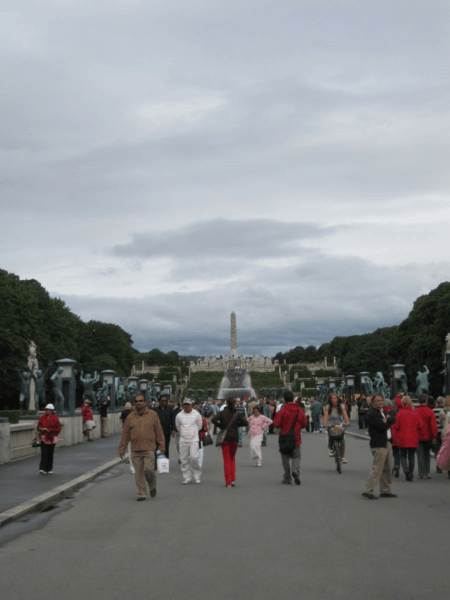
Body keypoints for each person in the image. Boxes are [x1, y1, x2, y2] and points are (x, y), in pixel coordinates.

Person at [118, 395, 165, 501]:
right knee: (138, 473)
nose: (138, 403)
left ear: (145, 402)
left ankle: (152, 485)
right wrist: (122, 448)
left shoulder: (153, 415)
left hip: (149, 449)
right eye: (136, 401)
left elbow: (159, 431)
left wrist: (162, 445)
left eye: (140, 401)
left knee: (149, 470)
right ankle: (141, 494)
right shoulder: (130, 417)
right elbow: (125, 434)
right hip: (135, 449)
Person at [362, 394, 397, 499]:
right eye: (377, 401)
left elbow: (392, 419)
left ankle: (385, 490)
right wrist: (387, 421)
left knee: (388, 467)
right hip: (378, 444)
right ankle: (368, 490)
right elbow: (383, 426)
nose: (380, 402)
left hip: (386, 442)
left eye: (381, 400)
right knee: (377, 468)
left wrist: (387, 420)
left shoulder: (382, 412)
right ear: (372, 402)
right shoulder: (373, 413)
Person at [211, 397, 249, 488]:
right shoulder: (237, 414)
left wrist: (221, 426)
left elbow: (213, 420)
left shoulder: (222, 413)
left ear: (227, 404)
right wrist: (236, 425)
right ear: (235, 404)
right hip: (235, 438)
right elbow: (246, 423)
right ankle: (233, 479)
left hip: (225, 438)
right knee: (232, 458)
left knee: (226, 459)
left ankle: (228, 481)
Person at [273, 391, 307, 485]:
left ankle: (287, 477)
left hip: (284, 437)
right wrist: (298, 427)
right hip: (296, 436)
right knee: (296, 456)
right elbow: (304, 423)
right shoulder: (299, 410)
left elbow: (276, 424)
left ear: (284, 399)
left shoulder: (282, 411)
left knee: (285, 458)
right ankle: (295, 471)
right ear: (293, 399)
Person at [390, 396, 419, 481]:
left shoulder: (400, 413)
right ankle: (410, 472)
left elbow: (396, 426)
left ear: (402, 403)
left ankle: (405, 469)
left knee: (402, 455)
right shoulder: (415, 412)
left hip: (402, 437)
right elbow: (420, 425)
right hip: (413, 438)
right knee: (411, 456)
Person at [175, 398, 203, 484]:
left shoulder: (196, 414)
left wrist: (193, 433)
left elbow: (199, 426)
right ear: (182, 405)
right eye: (185, 404)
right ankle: (187, 477)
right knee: (184, 459)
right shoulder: (179, 415)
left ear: (191, 405)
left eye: (188, 404)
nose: (186, 406)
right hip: (183, 440)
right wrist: (184, 433)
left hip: (194, 439)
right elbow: (178, 427)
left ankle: (197, 475)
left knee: (194, 457)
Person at [415, 393, 438, 479]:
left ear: (418, 401)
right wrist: (434, 437)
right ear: (426, 401)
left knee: (420, 454)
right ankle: (427, 472)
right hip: (428, 436)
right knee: (427, 454)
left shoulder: (415, 411)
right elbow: (433, 426)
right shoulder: (430, 411)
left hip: (417, 436)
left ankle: (422, 473)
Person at [323, 393, 349, 463]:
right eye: (332, 398)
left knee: (342, 440)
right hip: (331, 424)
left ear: (338, 399)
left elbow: (345, 414)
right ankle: (331, 448)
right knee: (330, 435)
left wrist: (347, 422)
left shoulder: (341, 406)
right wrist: (325, 423)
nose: (333, 400)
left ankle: (343, 456)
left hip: (340, 424)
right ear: (330, 400)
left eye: (335, 398)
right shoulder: (328, 406)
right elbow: (325, 415)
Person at [37, 404, 61, 475]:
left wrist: (49, 430)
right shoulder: (42, 417)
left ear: (51, 411)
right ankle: (42, 468)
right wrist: (40, 429)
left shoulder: (55, 418)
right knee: (44, 453)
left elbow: (58, 429)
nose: (45, 411)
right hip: (44, 437)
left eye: (47, 410)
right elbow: (38, 426)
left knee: (50, 453)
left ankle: (49, 468)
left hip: (52, 437)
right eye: (45, 410)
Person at [120, 402, 134, 474]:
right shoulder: (132, 413)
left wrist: (122, 447)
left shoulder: (124, 412)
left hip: (126, 429)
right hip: (133, 433)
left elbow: (121, 418)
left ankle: (132, 467)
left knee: (130, 448)